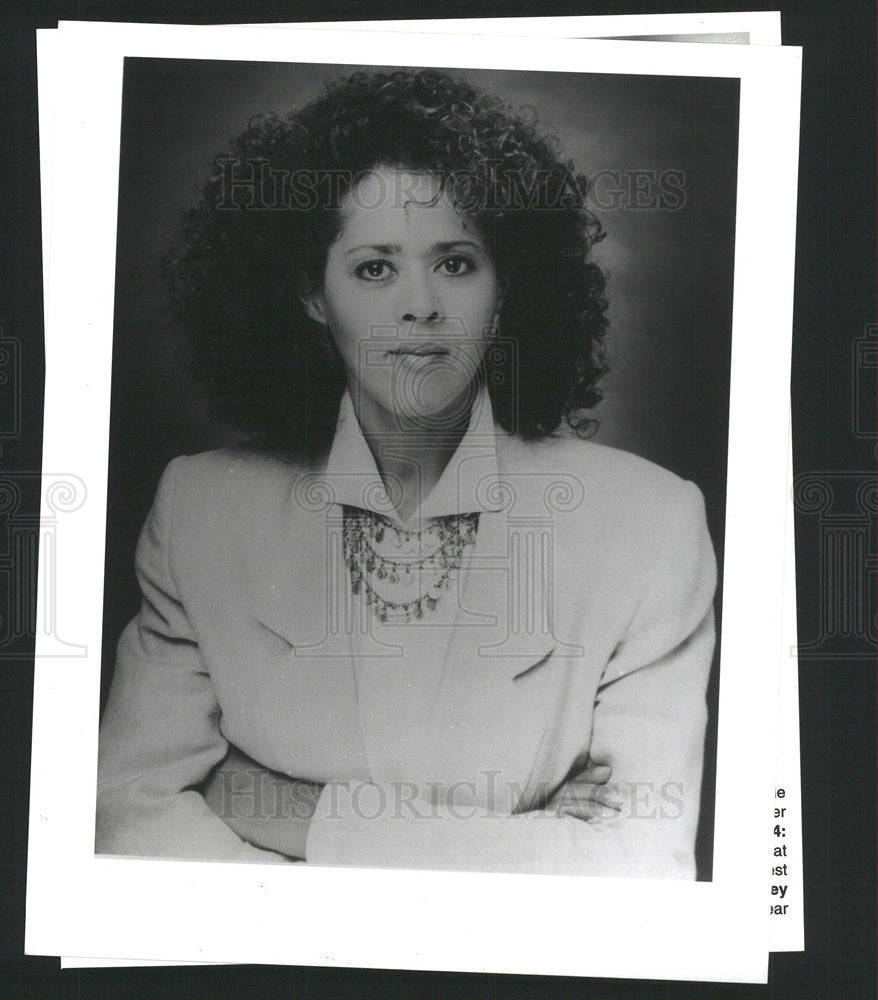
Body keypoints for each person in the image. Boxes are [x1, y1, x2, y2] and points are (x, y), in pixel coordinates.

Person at [96, 69, 717, 878]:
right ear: (312, 295)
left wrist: (293, 815)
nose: (420, 305)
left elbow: (643, 870)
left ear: (503, 293)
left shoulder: (648, 525)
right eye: (374, 268)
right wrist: (525, 846)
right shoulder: (201, 509)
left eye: (456, 263)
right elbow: (126, 828)